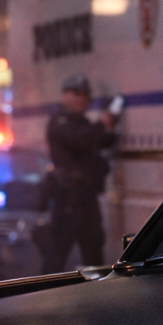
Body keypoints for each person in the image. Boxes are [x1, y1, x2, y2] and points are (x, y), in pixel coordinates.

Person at [39, 74, 117, 273]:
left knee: (94, 251)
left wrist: (109, 127)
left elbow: (101, 140)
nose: (81, 99)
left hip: (87, 197)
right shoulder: (60, 121)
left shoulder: (82, 123)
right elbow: (77, 140)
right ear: (65, 96)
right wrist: (101, 124)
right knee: (57, 253)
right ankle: (45, 298)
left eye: (84, 95)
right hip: (68, 198)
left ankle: (97, 299)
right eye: (75, 93)